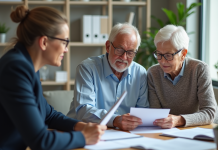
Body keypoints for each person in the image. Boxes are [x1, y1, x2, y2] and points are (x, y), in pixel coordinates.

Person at [0, 5, 106, 150]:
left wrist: (79, 126)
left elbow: (47, 114)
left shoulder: (27, 66)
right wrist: (84, 137)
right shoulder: (16, 69)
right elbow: (40, 141)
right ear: (44, 42)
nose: (66, 49)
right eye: (64, 42)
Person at [67, 23, 149, 131]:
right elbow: (84, 110)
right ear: (108, 46)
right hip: (83, 132)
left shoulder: (140, 72)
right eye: (119, 49)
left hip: (123, 134)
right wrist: (115, 120)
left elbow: (143, 111)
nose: (124, 57)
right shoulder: (87, 68)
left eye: (130, 52)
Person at [147, 24, 218, 129]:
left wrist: (178, 120)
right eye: (159, 54)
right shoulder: (153, 73)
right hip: (168, 131)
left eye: (168, 55)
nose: (162, 61)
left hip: (201, 131)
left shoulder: (199, 69)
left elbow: (210, 112)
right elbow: (156, 114)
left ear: (183, 54)